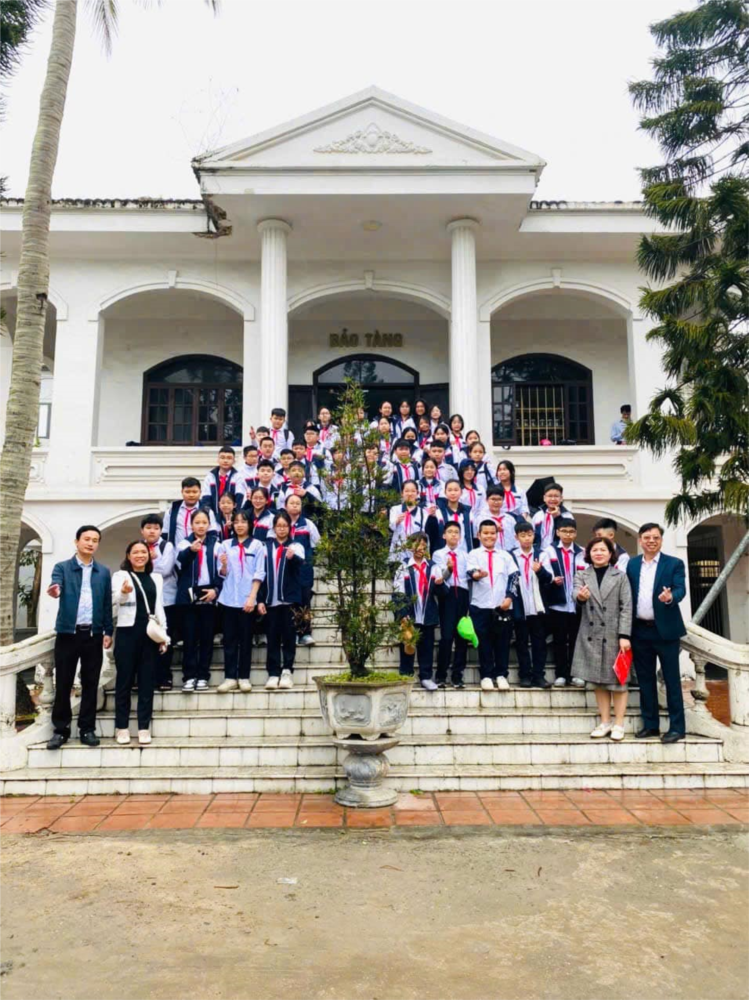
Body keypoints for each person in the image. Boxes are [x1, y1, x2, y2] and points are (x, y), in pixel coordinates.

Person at [46, 525, 113, 750]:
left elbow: (106, 603)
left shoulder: (103, 572)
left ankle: (87, 729)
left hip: (93, 635)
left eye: (95, 540)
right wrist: (55, 590)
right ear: (77, 542)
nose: (90, 543)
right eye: (86, 539)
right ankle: (60, 730)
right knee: (63, 683)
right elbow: (56, 585)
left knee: (90, 683)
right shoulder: (62, 567)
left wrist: (108, 631)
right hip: (68, 633)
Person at [627, 523, 687, 743]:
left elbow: (680, 589)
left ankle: (677, 728)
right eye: (647, 537)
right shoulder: (632, 565)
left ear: (661, 540)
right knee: (645, 681)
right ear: (640, 540)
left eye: (655, 537)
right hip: (640, 631)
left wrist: (670, 597)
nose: (651, 541)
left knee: (672, 681)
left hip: (666, 631)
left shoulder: (674, 563)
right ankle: (650, 725)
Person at [573, 536, 633, 741]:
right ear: (588, 554)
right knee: (597, 682)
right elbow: (575, 594)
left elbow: (627, 607)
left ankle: (619, 724)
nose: (598, 553)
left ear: (610, 554)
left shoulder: (620, 576)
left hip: (615, 635)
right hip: (591, 635)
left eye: (603, 550)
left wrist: (624, 635)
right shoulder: (582, 575)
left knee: (618, 682)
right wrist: (580, 597)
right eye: (594, 550)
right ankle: (605, 721)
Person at [111, 540, 169, 745]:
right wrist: (123, 593)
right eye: (135, 552)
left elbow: (159, 607)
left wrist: (164, 636)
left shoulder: (156, 578)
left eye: (143, 552)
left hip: (149, 634)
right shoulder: (121, 576)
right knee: (124, 682)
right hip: (127, 633)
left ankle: (144, 727)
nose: (139, 555)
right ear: (128, 556)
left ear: (149, 555)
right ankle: (122, 727)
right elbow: (114, 603)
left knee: (146, 682)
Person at [466, 521, 519, 691]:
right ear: (479, 535)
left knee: (502, 642)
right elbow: (470, 572)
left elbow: (514, 577)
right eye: (485, 533)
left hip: (501, 606)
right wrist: (477, 575)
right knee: (484, 642)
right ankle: (486, 675)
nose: (489, 536)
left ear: (497, 535)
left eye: (492, 533)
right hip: (480, 605)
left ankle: (501, 674)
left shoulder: (505, 555)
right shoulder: (474, 554)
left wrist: (509, 597)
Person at [216, 510, 265, 693]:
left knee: (245, 640)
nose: (239, 525)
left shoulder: (257, 545)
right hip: (228, 600)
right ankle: (230, 677)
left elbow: (259, 573)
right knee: (229, 640)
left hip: (247, 600)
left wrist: (252, 598)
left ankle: (244, 677)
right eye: (236, 522)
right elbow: (222, 574)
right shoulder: (225, 545)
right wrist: (223, 564)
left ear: (249, 524)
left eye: (243, 521)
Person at [257, 512, 305, 690]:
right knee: (272, 637)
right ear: (274, 528)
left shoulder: (295, 546)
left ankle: (287, 670)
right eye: (279, 526)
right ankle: (273, 672)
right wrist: (260, 599)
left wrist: (293, 558)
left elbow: (301, 566)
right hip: (271, 601)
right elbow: (260, 574)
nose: (282, 529)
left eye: (285, 526)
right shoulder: (265, 547)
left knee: (289, 637)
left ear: (290, 528)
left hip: (288, 601)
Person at [175, 508, 222, 693]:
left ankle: (203, 676)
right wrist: (191, 551)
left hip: (208, 594)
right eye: (197, 523)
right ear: (191, 525)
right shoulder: (183, 544)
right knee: (189, 638)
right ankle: (189, 677)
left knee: (206, 638)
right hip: (188, 596)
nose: (201, 526)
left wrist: (216, 590)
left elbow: (221, 572)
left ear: (209, 525)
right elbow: (179, 566)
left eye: (204, 522)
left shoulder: (216, 544)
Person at [541, 519, 587, 688]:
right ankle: (561, 674)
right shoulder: (549, 551)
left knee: (576, 641)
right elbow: (545, 572)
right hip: (558, 603)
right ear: (558, 532)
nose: (568, 534)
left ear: (576, 533)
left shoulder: (582, 552)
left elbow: (587, 573)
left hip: (577, 604)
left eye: (571, 531)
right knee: (559, 640)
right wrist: (553, 579)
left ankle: (575, 675)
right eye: (564, 531)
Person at [393, 532, 441, 691]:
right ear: (410, 547)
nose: (420, 548)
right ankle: (405, 675)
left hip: (427, 615)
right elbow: (398, 593)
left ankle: (426, 677)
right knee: (407, 645)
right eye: (417, 544)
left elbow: (442, 593)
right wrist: (402, 615)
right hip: (410, 615)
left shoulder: (433, 567)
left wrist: (441, 583)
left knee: (426, 647)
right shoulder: (403, 567)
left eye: (423, 545)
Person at [510, 521, 552, 689]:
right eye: (523, 535)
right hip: (520, 604)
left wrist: (540, 570)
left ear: (534, 535)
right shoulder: (511, 555)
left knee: (539, 642)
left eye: (529, 535)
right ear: (516, 537)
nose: (527, 539)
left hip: (537, 605)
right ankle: (525, 675)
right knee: (521, 641)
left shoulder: (541, 555)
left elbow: (549, 578)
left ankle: (539, 675)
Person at [139, 514, 178, 692]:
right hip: (144, 601)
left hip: (166, 599)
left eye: (156, 528)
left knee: (164, 639)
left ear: (161, 530)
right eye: (148, 528)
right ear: (142, 530)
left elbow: (166, 569)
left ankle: (164, 677)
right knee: (144, 641)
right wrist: (148, 559)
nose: (152, 531)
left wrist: (150, 560)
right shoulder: (138, 547)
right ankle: (145, 678)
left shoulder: (166, 546)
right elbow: (134, 569)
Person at [432, 523, 469, 689]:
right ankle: (441, 675)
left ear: (460, 536)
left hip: (463, 594)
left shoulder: (466, 555)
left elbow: (470, 576)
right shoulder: (438, 554)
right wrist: (449, 569)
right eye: (450, 532)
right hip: (447, 595)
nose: (453, 535)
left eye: (456, 532)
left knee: (461, 635)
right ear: (444, 535)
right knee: (447, 636)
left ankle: (457, 675)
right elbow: (441, 577)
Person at [282, 493, 320, 646]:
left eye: (298, 503)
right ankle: (288, 634)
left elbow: (317, 544)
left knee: (304, 601)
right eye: (291, 503)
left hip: (303, 570)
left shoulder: (308, 524)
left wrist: (308, 561)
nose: (295, 505)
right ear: (285, 506)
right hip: (285, 569)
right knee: (287, 603)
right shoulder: (280, 523)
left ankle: (305, 633)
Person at [162, 477, 218, 548]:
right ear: (182, 492)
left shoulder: (207, 511)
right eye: (187, 492)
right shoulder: (172, 510)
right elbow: (165, 533)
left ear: (200, 492)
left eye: (195, 492)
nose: (191, 495)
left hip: (200, 551)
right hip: (177, 552)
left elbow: (212, 533)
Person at [389, 480, 434, 564]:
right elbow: (391, 527)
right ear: (402, 493)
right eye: (406, 491)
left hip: (416, 552)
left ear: (417, 493)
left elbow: (425, 535)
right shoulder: (395, 509)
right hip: (398, 551)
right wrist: (397, 521)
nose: (410, 494)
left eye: (413, 491)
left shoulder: (423, 513)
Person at [200, 445, 245, 516]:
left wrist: (233, 517)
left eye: (229, 458)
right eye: (222, 457)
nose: (225, 461)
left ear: (234, 461)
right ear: (218, 460)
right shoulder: (210, 477)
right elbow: (206, 499)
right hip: (213, 516)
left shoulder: (238, 477)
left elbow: (239, 499)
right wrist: (210, 516)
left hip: (232, 517)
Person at [433, 479, 474, 553]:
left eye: (456, 490)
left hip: (464, 552)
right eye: (449, 490)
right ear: (445, 492)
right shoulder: (439, 512)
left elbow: (471, 534)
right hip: (445, 552)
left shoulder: (468, 512)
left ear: (461, 492)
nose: (453, 493)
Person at [532, 482, 575, 550]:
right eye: (550, 496)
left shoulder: (567, 515)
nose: (553, 499)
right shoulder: (538, 515)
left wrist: (557, 518)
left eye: (556, 496)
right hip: (540, 551)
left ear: (561, 498)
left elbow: (568, 535)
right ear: (544, 498)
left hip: (558, 551)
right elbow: (532, 534)